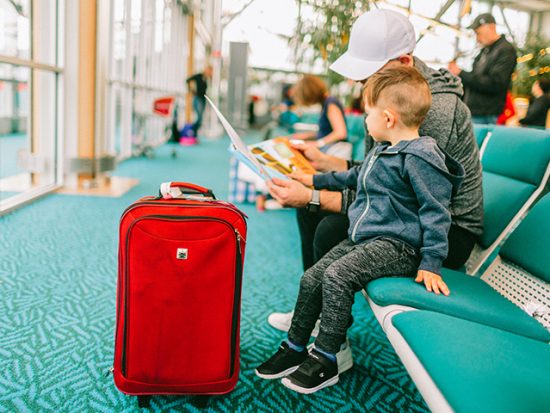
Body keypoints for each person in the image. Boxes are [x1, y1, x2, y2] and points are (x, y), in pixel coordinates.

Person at [265, 9, 483, 360]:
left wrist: (315, 195)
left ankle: (333, 339)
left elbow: (400, 197)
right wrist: (322, 166)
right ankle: (317, 309)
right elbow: (377, 171)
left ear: (404, 61)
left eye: (369, 74)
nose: (361, 85)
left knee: (327, 225)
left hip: (441, 231)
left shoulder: (431, 110)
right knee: (310, 209)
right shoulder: (393, 95)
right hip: (401, 209)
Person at [256, 66, 464, 394]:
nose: (364, 120)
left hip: (399, 246)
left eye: (367, 114)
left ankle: (326, 358)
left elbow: (437, 212)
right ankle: (295, 347)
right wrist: (311, 179)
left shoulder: (421, 157)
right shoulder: (382, 151)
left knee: (338, 275)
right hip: (366, 238)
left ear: (388, 118)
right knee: (313, 277)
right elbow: (349, 178)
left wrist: (430, 263)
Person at [448, 13, 517, 125]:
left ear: (491, 27)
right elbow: (476, 77)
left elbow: (495, 83)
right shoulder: (484, 51)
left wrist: (461, 73)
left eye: (478, 32)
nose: (477, 37)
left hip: (487, 114)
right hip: (474, 111)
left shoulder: (506, 50)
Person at [291, 75, 351, 159]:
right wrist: (307, 136)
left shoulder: (331, 104)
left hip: (337, 150)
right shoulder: (325, 103)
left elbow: (341, 133)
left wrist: (317, 143)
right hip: (331, 148)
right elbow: (327, 131)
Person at [186, 65, 213, 137]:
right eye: (209, 71)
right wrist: (191, 91)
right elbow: (188, 80)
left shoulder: (207, 79)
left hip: (203, 99)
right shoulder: (199, 76)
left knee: (200, 117)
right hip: (197, 98)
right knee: (199, 117)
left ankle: (193, 133)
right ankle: (191, 130)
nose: (210, 73)